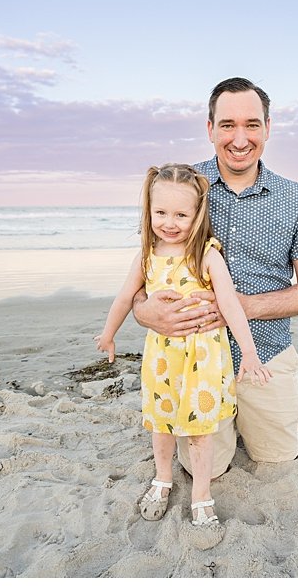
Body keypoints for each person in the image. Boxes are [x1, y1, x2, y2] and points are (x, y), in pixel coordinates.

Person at [131, 77, 298, 482]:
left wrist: (241, 306)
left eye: (252, 125)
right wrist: (143, 312)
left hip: (267, 352)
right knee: (206, 468)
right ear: (210, 129)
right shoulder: (183, 187)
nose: (240, 138)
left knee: (277, 459)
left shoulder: (295, 198)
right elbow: (145, 270)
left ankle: (251, 416)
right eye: (227, 125)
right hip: (193, 360)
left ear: (268, 128)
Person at [96, 163, 273, 526]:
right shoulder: (145, 257)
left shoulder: (206, 255)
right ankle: (162, 478)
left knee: (199, 431)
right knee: (160, 425)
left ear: (197, 215)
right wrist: (109, 333)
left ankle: (201, 495)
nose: (170, 222)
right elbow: (124, 298)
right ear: (149, 211)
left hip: (203, 359)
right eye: (161, 212)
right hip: (162, 359)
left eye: (181, 214)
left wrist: (250, 352)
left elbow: (231, 306)